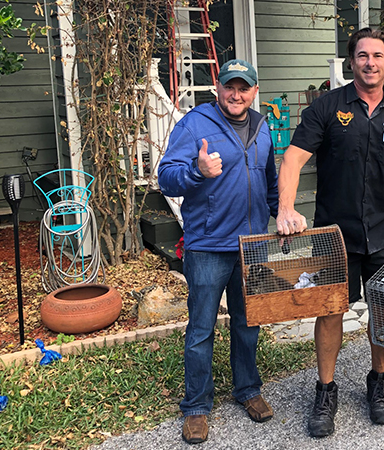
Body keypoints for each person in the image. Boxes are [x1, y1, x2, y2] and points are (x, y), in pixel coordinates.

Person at [276, 28, 384, 437]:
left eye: (378, 56)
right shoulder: (327, 108)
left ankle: (378, 382)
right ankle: (326, 390)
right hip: (334, 235)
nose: (370, 62)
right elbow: (294, 159)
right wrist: (284, 209)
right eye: (363, 55)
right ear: (351, 62)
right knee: (330, 310)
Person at [158, 59, 278, 444]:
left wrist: (285, 213)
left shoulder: (263, 129)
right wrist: (197, 171)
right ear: (218, 87)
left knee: (248, 324)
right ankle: (196, 406)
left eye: (244, 87)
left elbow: (270, 183)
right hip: (208, 246)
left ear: (254, 91)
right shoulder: (195, 124)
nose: (236, 94)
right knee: (200, 329)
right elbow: (165, 177)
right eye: (230, 86)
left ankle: (247, 389)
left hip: (251, 246)